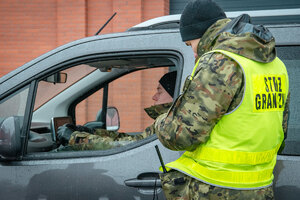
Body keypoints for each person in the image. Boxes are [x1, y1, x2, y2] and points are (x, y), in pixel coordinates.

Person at [154, 0, 290, 199]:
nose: (193, 52)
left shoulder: (219, 62)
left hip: (216, 188)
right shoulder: (276, 65)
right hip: (261, 187)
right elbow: (281, 132)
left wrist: (160, 121)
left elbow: (181, 136)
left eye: (190, 43)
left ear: (203, 34)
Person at [56, 71, 177, 151]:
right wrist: (92, 132)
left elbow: (128, 147)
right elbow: (133, 140)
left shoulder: (169, 123)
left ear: (174, 95)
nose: (154, 97)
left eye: (160, 91)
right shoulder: (166, 120)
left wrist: (75, 138)